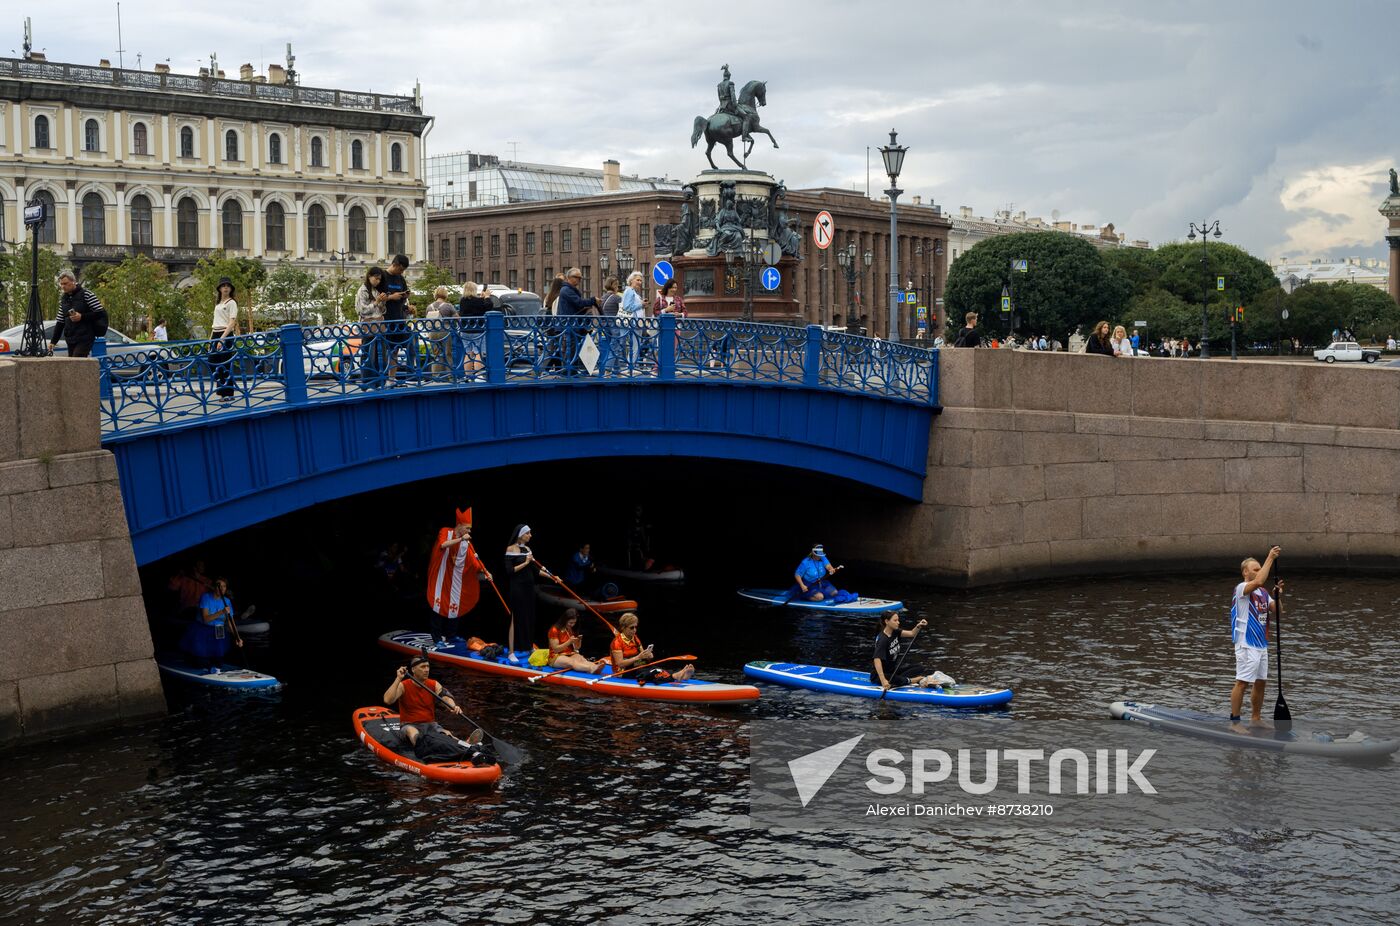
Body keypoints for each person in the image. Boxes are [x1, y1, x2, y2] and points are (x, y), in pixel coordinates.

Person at [383, 655, 490, 764]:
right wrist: (398, 678)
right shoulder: (403, 685)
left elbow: (446, 696)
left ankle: (471, 750)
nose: (427, 670)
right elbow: (387, 700)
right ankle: (431, 752)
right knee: (413, 733)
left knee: (447, 734)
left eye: (428, 666)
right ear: (413, 670)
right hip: (409, 725)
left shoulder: (433, 684)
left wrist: (453, 706)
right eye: (423, 667)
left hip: (431, 725)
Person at [1229, 545, 1282, 734]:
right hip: (1245, 643)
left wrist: (1277, 596)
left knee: (1260, 682)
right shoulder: (1242, 588)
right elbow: (1259, 581)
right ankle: (1235, 722)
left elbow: (1277, 611)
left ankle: (1255, 719)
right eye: (1255, 569)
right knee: (1242, 682)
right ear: (1245, 572)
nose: (1259, 572)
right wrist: (1270, 558)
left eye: (1260, 568)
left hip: (1261, 645)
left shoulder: (1263, 593)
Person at [425, 507, 492, 648]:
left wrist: (485, 571)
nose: (469, 531)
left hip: (454, 579)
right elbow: (443, 544)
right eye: (467, 528)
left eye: (469, 529)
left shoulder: (466, 543)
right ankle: (437, 637)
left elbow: (475, 561)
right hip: (441, 576)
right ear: (459, 525)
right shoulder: (446, 531)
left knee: (455, 603)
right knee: (438, 603)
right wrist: (461, 539)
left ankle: (451, 635)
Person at [180, 577, 243, 669]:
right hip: (203, 629)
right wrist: (221, 612)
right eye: (219, 586)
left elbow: (230, 622)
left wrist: (238, 638)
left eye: (224, 586)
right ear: (214, 587)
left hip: (218, 629)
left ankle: (215, 667)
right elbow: (206, 619)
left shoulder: (227, 601)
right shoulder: (206, 597)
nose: (221, 589)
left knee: (218, 661)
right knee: (201, 661)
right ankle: (195, 662)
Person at [610, 612, 694, 681]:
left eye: (636, 627)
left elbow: (643, 656)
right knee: (648, 671)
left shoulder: (635, 638)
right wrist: (638, 657)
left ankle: (678, 675)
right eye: (631, 628)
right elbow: (620, 664)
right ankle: (674, 676)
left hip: (635, 665)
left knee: (652, 667)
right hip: (621, 672)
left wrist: (649, 656)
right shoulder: (617, 642)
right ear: (623, 628)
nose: (634, 630)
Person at [49, 269, 109, 359]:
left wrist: (82, 317)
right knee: (73, 365)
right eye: (61, 284)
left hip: (85, 337)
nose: (63, 286)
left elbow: (100, 313)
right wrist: (53, 342)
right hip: (70, 338)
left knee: (76, 363)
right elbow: (60, 322)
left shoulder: (87, 294)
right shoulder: (63, 300)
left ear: (73, 282)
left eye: (65, 283)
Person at [504, 524, 543, 661]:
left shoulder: (527, 549)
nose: (530, 535)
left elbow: (536, 570)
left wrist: (552, 577)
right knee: (515, 618)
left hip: (529, 588)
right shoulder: (510, 549)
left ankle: (527, 646)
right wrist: (526, 563)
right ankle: (511, 652)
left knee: (529, 616)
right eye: (528, 533)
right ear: (521, 534)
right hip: (517, 588)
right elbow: (510, 571)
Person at [871, 612, 931, 690]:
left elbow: (912, 633)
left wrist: (918, 626)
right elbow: (877, 659)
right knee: (896, 679)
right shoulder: (883, 639)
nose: (898, 622)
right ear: (887, 621)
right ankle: (913, 680)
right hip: (880, 675)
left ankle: (902, 679)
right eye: (895, 620)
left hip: (893, 671)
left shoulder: (895, 631)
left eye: (898, 620)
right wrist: (883, 681)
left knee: (919, 667)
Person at [381, 254, 414, 383]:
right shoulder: (382, 277)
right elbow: (376, 298)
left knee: (397, 349)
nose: (401, 272)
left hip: (399, 318)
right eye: (400, 269)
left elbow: (404, 296)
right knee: (384, 349)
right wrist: (391, 297)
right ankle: (382, 379)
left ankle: (392, 378)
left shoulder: (400, 279)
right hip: (385, 318)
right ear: (394, 264)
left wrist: (406, 300)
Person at [209, 277, 241, 401]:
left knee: (225, 364)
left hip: (225, 334)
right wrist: (211, 339)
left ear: (231, 288)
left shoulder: (232, 302)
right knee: (212, 361)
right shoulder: (218, 304)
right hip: (216, 334)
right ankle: (222, 389)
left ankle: (227, 393)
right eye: (223, 286)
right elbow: (214, 322)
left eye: (228, 285)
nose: (226, 287)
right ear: (220, 288)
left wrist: (222, 339)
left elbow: (232, 322)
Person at [355, 267, 387, 386]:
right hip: (368, 326)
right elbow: (362, 310)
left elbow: (382, 311)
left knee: (381, 354)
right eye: (376, 278)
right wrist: (376, 302)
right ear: (369, 277)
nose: (378, 281)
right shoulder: (363, 290)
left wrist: (382, 302)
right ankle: (368, 382)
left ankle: (380, 380)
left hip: (379, 326)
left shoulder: (375, 290)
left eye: (379, 279)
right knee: (368, 354)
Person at [457, 281, 493, 378]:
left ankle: (468, 376)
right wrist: (487, 296)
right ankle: (478, 376)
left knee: (468, 353)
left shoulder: (462, 301)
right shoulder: (478, 301)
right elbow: (488, 306)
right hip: (478, 330)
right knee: (478, 353)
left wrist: (482, 298)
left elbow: (475, 305)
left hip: (465, 330)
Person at [547, 609, 601, 673]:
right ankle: (590, 669)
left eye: (574, 623)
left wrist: (579, 641)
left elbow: (577, 648)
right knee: (573, 662)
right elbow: (556, 649)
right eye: (570, 623)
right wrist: (569, 642)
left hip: (569, 654)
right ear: (564, 620)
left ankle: (595, 667)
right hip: (556, 656)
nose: (572, 625)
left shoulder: (570, 629)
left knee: (582, 659)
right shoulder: (554, 630)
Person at [425, 286, 457, 378]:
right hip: (445, 330)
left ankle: (436, 375)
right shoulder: (448, 306)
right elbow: (457, 318)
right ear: (445, 295)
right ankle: (449, 374)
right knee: (448, 353)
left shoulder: (429, 307)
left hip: (433, 331)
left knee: (436, 354)